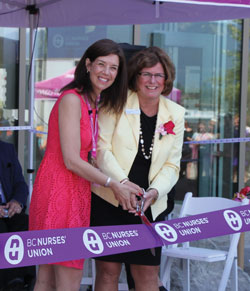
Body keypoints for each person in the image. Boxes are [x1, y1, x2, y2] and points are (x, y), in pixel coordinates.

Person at [29, 39, 138, 291]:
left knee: (49, 277)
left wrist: (121, 182)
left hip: (75, 189)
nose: (107, 72)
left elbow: (92, 156)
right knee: (65, 278)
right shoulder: (72, 98)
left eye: (113, 68)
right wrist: (112, 184)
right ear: (87, 65)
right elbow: (70, 159)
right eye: (101, 64)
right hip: (60, 189)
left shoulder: (92, 102)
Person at [91, 46, 185, 291]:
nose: (152, 81)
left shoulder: (176, 113)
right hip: (111, 198)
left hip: (150, 204)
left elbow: (172, 165)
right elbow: (102, 150)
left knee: (146, 274)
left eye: (159, 76)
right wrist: (121, 185)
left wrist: (154, 192)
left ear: (166, 80)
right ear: (136, 77)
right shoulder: (115, 103)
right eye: (146, 74)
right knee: (108, 271)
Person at [0, 140, 35, 291]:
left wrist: (17, 202)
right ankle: (14, 283)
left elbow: (20, 183)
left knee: (24, 222)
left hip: (8, 209)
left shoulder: (6, 149)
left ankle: (27, 280)